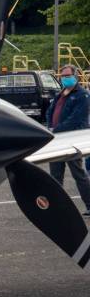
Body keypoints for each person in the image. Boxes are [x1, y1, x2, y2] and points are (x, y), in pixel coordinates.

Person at [46, 64, 90, 217]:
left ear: (75, 76)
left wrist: (55, 129)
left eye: (67, 76)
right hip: (56, 141)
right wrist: (49, 126)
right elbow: (50, 113)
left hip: (72, 140)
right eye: (63, 76)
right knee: (55, 177)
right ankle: (57, 207)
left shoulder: (82, 95)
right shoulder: (60, 94)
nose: (65, 78)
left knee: (79, 175)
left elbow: (76, 118)